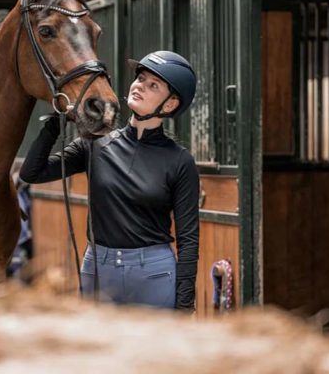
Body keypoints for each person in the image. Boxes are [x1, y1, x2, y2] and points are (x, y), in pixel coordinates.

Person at [19, 51, 200, 311]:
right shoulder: (95, 143)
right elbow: (32, 174)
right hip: (98, 269)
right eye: (141, 78)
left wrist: (185, 306)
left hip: (153, 273)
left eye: (153, 86)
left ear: (170, 105)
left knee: (154, 351)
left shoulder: (180, 161)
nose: (140, 86)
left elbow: (188, 239)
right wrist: (54, 126)